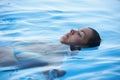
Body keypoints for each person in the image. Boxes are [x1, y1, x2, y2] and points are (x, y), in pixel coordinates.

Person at [0, 27, 101, 79]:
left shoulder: (57, 56)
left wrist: (55, 72)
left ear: (82, 46)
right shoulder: (48, 43)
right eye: (77, 29)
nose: (72, 30)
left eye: (79, 34)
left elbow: (51, 72)